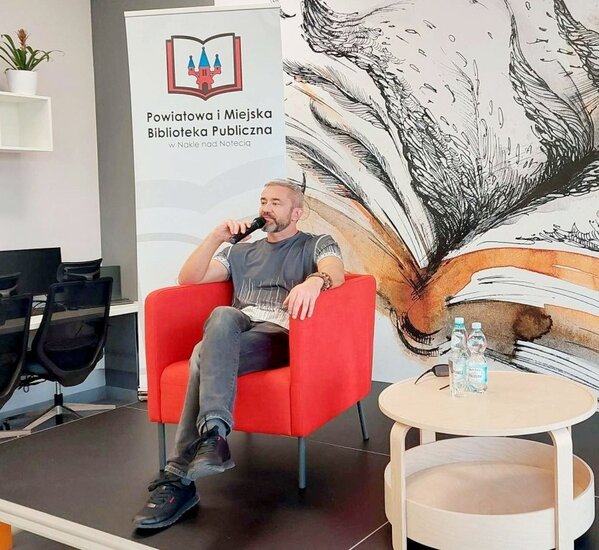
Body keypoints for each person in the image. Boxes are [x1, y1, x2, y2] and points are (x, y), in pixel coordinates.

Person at [133, 179, 344, 529]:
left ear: (297, 213)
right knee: (222, 315)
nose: (266, 208)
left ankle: (179, 476)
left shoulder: (315, 243)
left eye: (276, 202)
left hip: (278, 335)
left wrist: (315, 281)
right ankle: (213, 438)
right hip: (236, 330)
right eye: (263, 201)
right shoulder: (240, 251)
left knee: (201, 354)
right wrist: (215, 237)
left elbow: (335, 270)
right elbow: (189, 278)